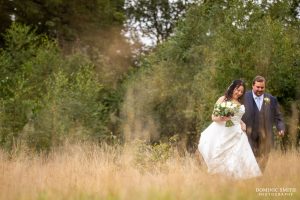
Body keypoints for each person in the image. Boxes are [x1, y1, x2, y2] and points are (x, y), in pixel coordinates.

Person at [198, 80, 262, 179]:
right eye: (238, 90)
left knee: (239, 158)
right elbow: (213, 117)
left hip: (237, 133)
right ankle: (222, 180)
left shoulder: (239, 102)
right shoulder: (222, 99)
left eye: (241, 92)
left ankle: (238, 181)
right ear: (232, 88)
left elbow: (237, 118)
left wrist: (242, 123)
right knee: (221, 156)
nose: (239, 93)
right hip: (224, 131)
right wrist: (222, 118)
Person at [242, 75, 285, 172]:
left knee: (262, 164)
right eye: (258, 87)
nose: (260, 89)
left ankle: (259, 181)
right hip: (248, 136)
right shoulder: (244, 97)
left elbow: (278, 116)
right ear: (253, 86)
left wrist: (281, 129)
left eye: (262, 87)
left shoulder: (271, 99)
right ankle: (250, 181)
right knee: (251, 162)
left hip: (266, 138)